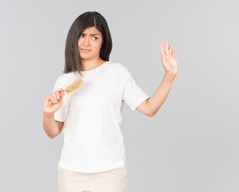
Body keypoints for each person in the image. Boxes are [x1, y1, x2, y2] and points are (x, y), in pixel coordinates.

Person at [43, 11, 178, 192]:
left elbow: (149, 108)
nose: (86, 42)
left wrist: (169, 75)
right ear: (73, 38)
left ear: (103, 41)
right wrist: (48, 113)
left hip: (110, 172)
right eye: (82, 35)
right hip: (71, 172)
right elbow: (53, 132)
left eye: (94, 37)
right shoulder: (64, 80)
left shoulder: (117, 73)